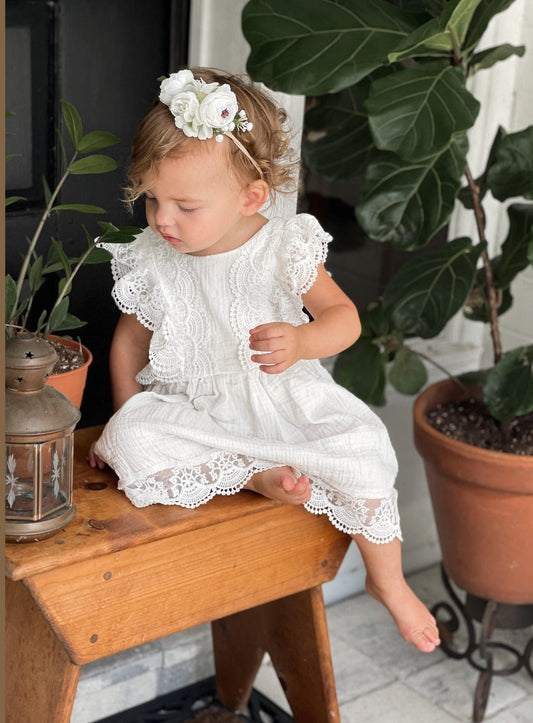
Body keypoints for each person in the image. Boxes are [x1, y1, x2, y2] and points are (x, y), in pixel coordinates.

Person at [89, 67, 440, 654]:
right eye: (151, 198)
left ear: (250, 197)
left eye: (184, 205)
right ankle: (255, 476)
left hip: (279, 398)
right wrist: (127, 414)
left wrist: (303, 342)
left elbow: (344, 318)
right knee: (131, 440)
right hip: (193, 405)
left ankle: (389, 582)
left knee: (366, 451)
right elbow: (128, 342)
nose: (161, 218)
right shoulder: (156, 255)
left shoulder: (283, 245)